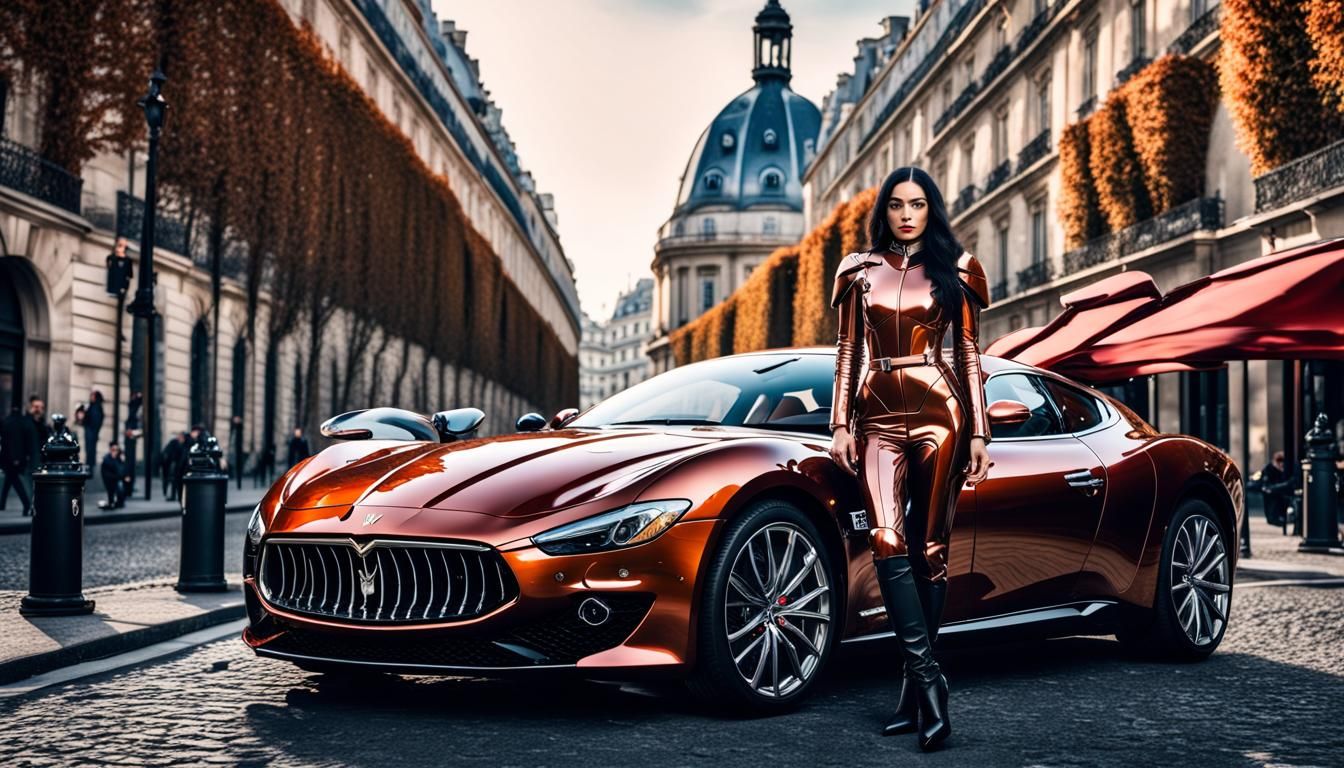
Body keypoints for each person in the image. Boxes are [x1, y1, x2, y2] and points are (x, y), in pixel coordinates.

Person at [828, 166, 991, 751]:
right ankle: (929, 681)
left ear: (931, 210)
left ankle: (908, 690)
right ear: (884, 211)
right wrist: (840, 422)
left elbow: (970, 352)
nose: (905, 214)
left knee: (931, 550)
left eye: (917, 204)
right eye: (896, 204)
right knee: (888, 542)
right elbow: (847, 349)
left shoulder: (958, 270)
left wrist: (980, 432)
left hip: (939, 410)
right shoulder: (857, 270)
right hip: (875, 412)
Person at [0, 406, 34, 515]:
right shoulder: (20, 422)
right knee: (10, 480)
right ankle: (2, 504)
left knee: (14, 481)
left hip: (9, 458)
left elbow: (12, 442)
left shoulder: (8, 422)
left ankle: (26, 505)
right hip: (14, 458)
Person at [1257, 451, 1290, 526]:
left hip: (1276, 490)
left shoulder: (1282, 468)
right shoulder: (1269, 467)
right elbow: (1265, 479)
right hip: (1270, 490)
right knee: (1270, 505)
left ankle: (1276, 518)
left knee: (1277, 504)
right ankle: (1272, 519)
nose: (1281, 463)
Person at [99, 442, 125, 509]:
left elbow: (121, 470)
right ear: (110, 450)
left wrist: (122, 461)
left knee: (120, 490)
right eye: (113, 449)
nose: (115, 451)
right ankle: (112, 503)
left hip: (116, 479)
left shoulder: (118, 458)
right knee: (112, 491)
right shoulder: (107, 459)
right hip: (110, 480)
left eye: (117, 450)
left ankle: (117, 503)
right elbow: (105, 472)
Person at [83, 390, 105, 470]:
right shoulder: (94, 406)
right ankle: (90, 466)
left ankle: (90, 467)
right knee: (90, 450)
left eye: (92, 396)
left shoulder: (95, 407)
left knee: (90, 450)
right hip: (91, 431)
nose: (90, 397)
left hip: (91, 432)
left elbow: (95, 421)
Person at [161, 432, 186, 500]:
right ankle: (169, 494)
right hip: (172, 464)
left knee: (176, 481)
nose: (179, 438)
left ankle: (176, 496)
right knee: (170, 480)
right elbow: (167, 452)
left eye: (181, 437)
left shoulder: (184, 444)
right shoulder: (174, 443)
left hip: (179, 466)